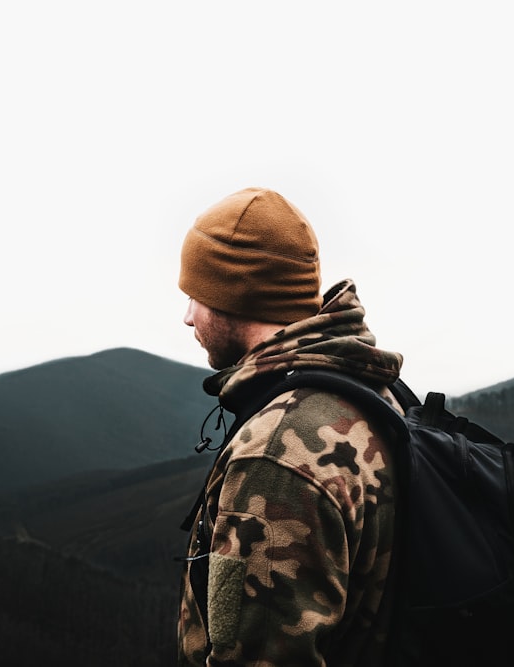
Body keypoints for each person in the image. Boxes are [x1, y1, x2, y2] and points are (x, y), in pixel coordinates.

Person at [176, 187, 404, 666]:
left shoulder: (276, 456)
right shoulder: (372, 392)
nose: (187, 316)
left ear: (235, 293)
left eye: (196, 294)